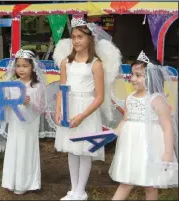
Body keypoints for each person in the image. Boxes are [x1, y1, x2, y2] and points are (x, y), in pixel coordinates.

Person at [52, 17, 121, 200]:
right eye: (73, 37)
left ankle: (81, 190)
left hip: (86, 110)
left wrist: (82, 116)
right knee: (71, 149)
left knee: (84, 150)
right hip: (69, 107)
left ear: (90, 39)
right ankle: (73, 188)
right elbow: (62, 88)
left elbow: (99, 97)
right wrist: (58, 110)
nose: (76, 41)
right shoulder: (66, 62)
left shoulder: (95, 64)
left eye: (80, 37)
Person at [109, 51, 178, 200]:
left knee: (150, 184)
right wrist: (115, 132)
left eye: (138, 75)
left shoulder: (157, 99)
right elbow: (126, 119)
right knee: (126, 182)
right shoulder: (130, 98)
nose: (133, 79)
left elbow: (167, 127)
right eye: (132, 75)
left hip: (151, 147)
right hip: (131, 147)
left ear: (151, 76)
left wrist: (167, 152)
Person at [0, 49, 50, 195]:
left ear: (32, 67)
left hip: (29, 124)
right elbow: (7, 104)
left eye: (25, 66)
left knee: (26, 150)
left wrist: (29, 103)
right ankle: (11, 180)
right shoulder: (12, 84)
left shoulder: (37, 86)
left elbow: (40, 108)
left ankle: (26, 182)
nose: (21, 69)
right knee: (14, 148)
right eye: (18, 66)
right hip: (16, 123)